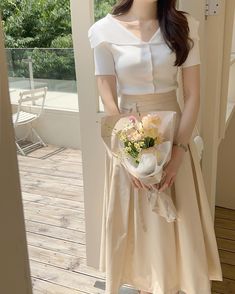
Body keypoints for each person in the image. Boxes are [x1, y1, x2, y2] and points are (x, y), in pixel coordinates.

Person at [88, 0, 223, 293]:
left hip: (175, 133)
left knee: (179, 216)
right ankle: (145, 284)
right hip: (129, 134)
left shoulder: (183, 25)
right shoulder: (102, 31)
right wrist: (127, 151)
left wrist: (178, 152)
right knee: (138, 218)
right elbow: (108, 97)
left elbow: (193, 94)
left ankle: (172, 284)